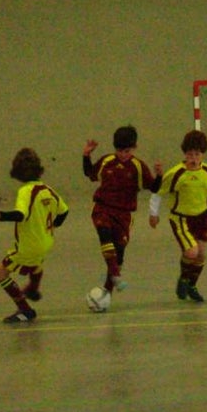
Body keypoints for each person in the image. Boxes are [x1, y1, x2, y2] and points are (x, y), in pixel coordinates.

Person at [0, 148, 69, 324]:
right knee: (35, 263)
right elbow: (64, 212)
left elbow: (20, 215)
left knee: (1, 273)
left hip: (29, 245)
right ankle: (33, 289)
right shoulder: (47, 189)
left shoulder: (25, 191)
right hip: (46, 242)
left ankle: (25, 310)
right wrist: (51, 226)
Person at [82, 126, 161, 299]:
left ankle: (107, 292)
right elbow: (89, 173)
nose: (122, 154)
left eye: (126, 151)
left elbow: (154, 187)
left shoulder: (138, 167)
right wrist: (86, 155)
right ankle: (116, 275)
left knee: (119, 251)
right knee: (105, 234)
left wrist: (159, 175)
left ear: (134, 148)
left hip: (124, 214)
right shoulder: (106, 161)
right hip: (103, 208)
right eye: (119, 150)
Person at [149, 130, 207, 303]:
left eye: (197, 154)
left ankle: (192, 285)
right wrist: (153, 214)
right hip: (181, 218)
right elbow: (158, 193)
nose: (193, 158)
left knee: (201, 255)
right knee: (191, 252)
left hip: (202, 217)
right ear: (185, 154)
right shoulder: (176, 173)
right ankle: (183, 279)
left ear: (202, 154)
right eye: (190, 154)